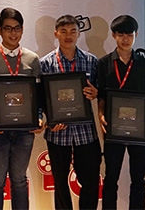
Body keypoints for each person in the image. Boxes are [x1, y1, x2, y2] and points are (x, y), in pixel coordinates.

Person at [0, 7, 45, 210]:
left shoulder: (32, 59)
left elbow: (38, 94)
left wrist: (39, 117)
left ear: (22, 29)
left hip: (24, 130)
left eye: (17, 28)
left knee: (19, 179)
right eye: (8, 28)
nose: (13, 33)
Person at [39, 15, 102, 210]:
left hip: (85, 132)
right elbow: (41, 99)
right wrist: (48, 120)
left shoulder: (91, 61)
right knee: (60, 185)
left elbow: (101, 93)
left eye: (73, 31)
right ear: (56, 33)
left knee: (91, 182)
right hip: (58, 132)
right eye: (64, 31)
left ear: (79, 34)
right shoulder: (45, 64)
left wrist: (96, 92)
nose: (68, 36)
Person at [97, 15, 145, 210]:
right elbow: (101, 96)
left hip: (139, 129)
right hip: (113, 129)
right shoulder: (103, 63)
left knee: (138, 179)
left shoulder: (144, 64)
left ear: (136, 35)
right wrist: (101, 115)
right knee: (110, 178)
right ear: (113, 35)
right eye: (121, 34)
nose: (125, 39)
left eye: (129, 34)